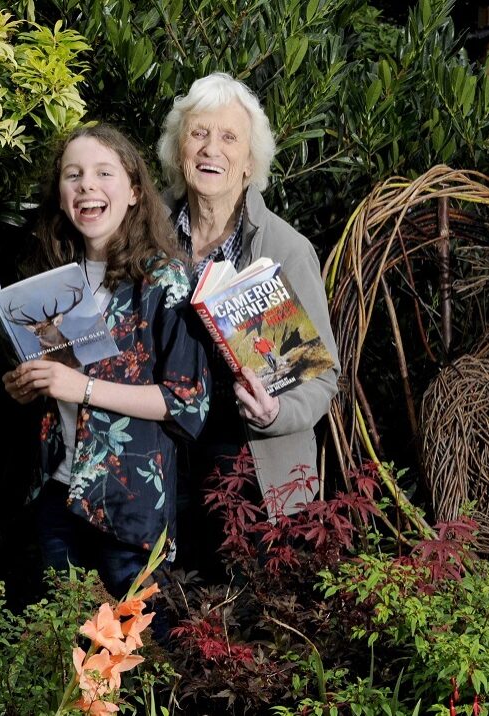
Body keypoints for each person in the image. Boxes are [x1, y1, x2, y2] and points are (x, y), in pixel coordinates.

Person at [3, 124, 211, 598]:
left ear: (135, 191)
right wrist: (27, 383)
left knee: (135, 656)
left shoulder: (165, 279)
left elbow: (186, 401)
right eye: (73, 175)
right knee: (62, 652)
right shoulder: (52, 279)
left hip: (129, 508)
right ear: (60, 195)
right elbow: (54, 387)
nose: (87, 186)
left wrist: (83, 388)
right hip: (58, 493)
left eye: (103, 173)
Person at [156, 72, 339, 549]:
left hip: (254, 476)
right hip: (161, 470)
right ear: (180, 150)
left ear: (248, 162)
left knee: (251, 618)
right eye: (198, 133)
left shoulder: (286, 249)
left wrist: (275, 411)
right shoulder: (146, 238)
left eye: (228, 137)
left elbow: (321, 379)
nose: (211, 149)